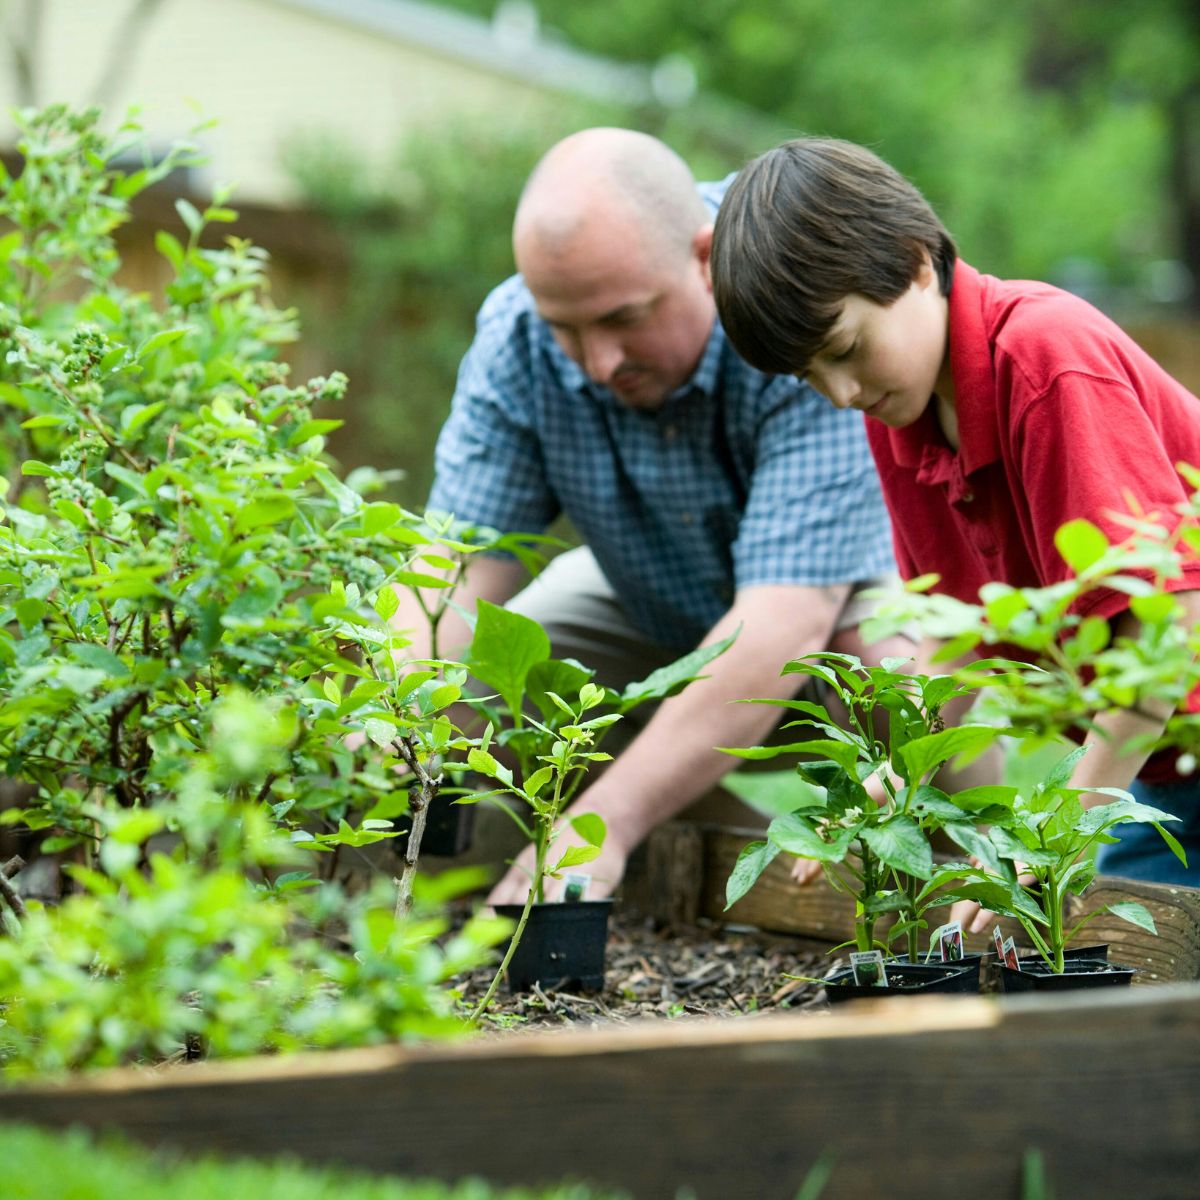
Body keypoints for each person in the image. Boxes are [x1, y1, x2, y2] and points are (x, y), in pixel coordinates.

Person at [396, 128, 904, 905]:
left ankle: (951, 887)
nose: (598, 362)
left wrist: (603, 822)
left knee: (901, 676)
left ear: (704, 258)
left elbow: (785, 623)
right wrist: (389, 712)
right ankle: (734, 869)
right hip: (649, 606)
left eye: (624, 319)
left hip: (832, 609)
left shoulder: (789, 298)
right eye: (568, 328)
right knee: (498, 673)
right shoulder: (518, 337)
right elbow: (450, 572)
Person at [708, 135, 1200, 906]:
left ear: (915, 262)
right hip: (1168, 768)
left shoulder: (1044, 360)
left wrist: (1052, 842)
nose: (838, 393)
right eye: (809, 377)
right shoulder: (898, 414)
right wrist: (879, 790)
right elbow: (955, 632)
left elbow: (1168, 628)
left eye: (845, 349)